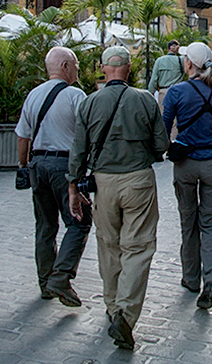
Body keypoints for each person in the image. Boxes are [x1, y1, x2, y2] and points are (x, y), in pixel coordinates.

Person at [68, 46, 169, 350]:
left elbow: (78, 151)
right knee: (138, 247)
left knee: (109, 245)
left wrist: (73, 188)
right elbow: (161, 143)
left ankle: (113, 307)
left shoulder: (89, 103)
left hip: (103, 182)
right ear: (128, 69)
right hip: (138, 179)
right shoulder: (144, 99)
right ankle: (125, 315)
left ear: (102, 69)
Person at [15, 46, 92, 307]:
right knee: (79, 221)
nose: (78, 70)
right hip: (65, 166)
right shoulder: (75, 95)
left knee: (45, 226)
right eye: (76, 65)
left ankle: (45, 281)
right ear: (65, 67)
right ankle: (61, 276)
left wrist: (24, 166)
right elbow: (85, 136)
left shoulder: (33, 95)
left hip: (38, 165)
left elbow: (22, 136)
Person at [162, 42, 212, 310]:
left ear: (189, 64)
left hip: (185, 165)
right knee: (211, 224)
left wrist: (170, 149)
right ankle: (211, 280)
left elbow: (164, 129)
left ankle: (191, 278)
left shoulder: (176, 91)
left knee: (188, 222)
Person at [148, 39, 184, 111]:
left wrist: (150, 93)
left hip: (163, 92)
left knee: (164, 116)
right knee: (176, 118)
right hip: (177, 92)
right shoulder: (181, 60)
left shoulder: (159, 61)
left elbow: (154, 80)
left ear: (168, 48)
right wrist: (181, 50)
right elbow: (191, 55)